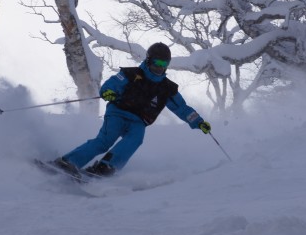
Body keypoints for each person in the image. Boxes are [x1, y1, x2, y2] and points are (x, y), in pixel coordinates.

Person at [53, 43, 211, 177]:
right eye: (157, 63)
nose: (159, 68)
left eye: (164, 65)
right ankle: (68, 162)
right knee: (105, 141)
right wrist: (108, 91)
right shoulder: (131, 74)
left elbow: (182, 108)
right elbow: (113, 83)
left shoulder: (167, 89)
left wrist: (198, 122)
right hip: (118, 112)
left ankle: (105, 168)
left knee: (135, 140)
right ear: (149, 60)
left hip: (139, 121)